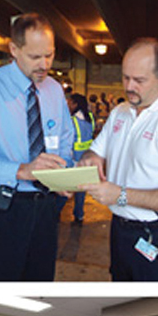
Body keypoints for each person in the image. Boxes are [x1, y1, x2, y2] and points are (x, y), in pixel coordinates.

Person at [0, 12, 74, 281]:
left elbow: (65, 140)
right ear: (14, 49)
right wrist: (22, 170)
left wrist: (65, 171)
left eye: (50, 55)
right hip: (2, 210)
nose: (44, 64)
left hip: (45, 208)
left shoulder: (54, 89)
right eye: (35, 57)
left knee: (41, 285)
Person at [77, 38, 158, 282]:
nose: (129, 86)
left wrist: (122, 195)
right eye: (126, 78)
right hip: (121, 230)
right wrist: (90, 158)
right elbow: (95, 151)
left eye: (139, 80)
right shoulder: (120, 112)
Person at [65, 92, 94, 224]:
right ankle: (79, 214)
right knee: (81, 189)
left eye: (69, 102)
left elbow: (67, 141)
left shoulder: (72, 121)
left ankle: (54, 213)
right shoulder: (90, 119)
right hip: (86, 158)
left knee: (65, 187)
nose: (67, 105)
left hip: (74, 158)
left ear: (75, 104)